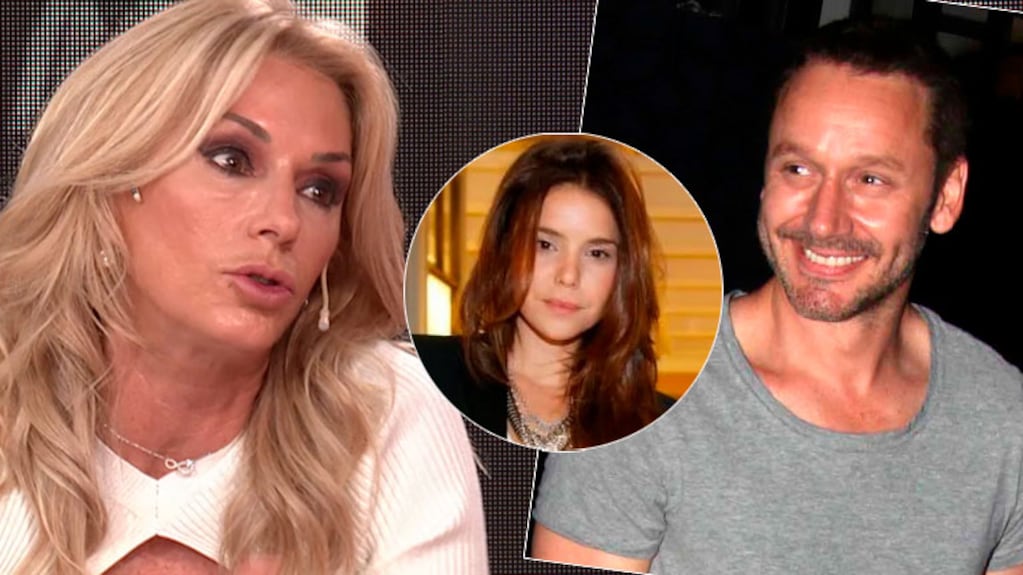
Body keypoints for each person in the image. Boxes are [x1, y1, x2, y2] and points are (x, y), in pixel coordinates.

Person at [0, 0, 488, 573]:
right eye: (231, 160)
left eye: (319, 190)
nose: (283, 222)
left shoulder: (385, 413)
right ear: (115, 176)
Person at [531, 17, 1023, 574]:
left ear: (946, 196)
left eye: (870, 180)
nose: (823, 219)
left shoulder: (1002, 418)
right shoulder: (640, 395)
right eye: (799, 168)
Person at [414, 136, 668, 451]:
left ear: (624, 272)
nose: (568, 276)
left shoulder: (662, 422)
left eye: (597, 253)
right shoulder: (422, 372)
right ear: (505, 249)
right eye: (545, 245)